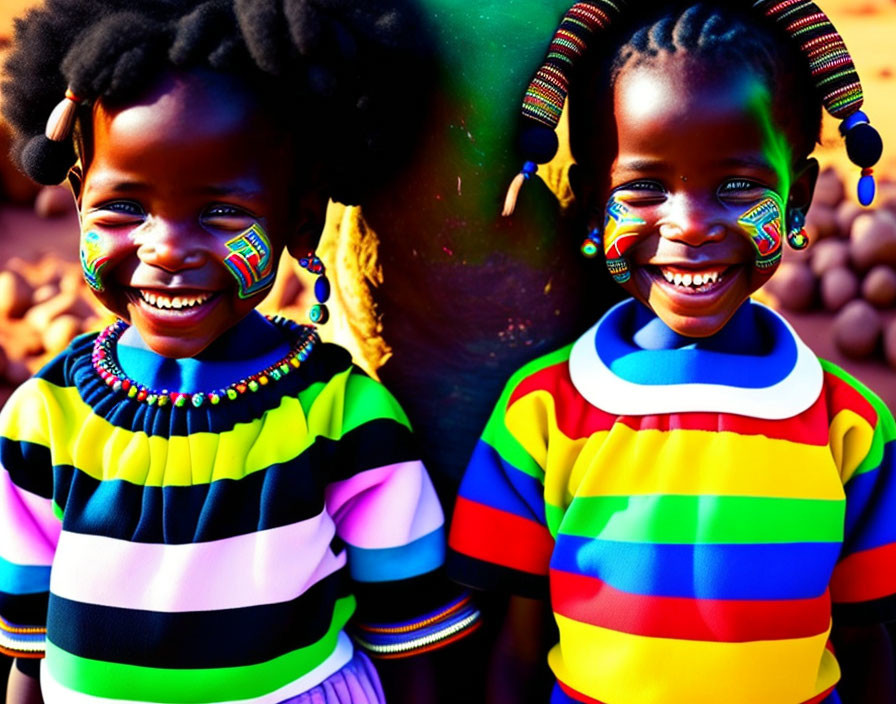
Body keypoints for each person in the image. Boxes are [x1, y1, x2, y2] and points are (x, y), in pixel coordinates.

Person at [0, 1, 479, 703]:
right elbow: (27, 653)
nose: (165, 248)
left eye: (222, 213)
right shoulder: (43, 417)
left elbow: (408, 638)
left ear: (300, 216)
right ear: (76, 200)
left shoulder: (344, 419)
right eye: (121, 210)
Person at [448, 2, 895, 703]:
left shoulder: (850, 425)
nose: (688, 226)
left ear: (799, 200)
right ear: (594, 203)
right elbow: (519, 647)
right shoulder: (543, 412)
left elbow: (870, 641)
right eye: (645, 188)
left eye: (739, 187)